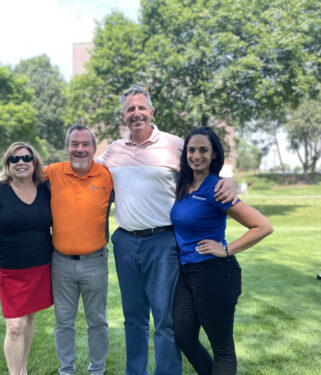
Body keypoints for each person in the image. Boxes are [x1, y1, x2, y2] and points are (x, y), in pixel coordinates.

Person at [96, 85, 236, 375]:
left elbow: (205, 162)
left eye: (141, 108)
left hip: (162, 241)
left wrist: (229, 179)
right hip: (125, 242)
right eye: (130, 109)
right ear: (123, 116)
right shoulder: (113, 150)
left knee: (164, 318)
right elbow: (88, 178)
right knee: (133, 317)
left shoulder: (174, 144)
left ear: (151, 111)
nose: (136, 114)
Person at [170, 127, 273, 374]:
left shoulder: (218, 190)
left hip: (214, 274)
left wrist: (227, 249)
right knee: (183, 336)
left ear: (214, 154)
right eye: (191, 150)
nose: (196, 155)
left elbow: (263, 226)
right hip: (185, 274)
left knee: (223, 349)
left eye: (203, 150)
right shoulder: (183, 185)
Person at [0, 142, 53, 375]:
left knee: (28, 320)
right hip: (9, 269)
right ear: (7, 164)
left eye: (27, 158)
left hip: (40, 266)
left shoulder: (45, 189)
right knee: (15, 324)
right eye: (14, 159)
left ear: (34, 162)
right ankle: (15, 372)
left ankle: (22, 369)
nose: (21, 162)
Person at [46, 124, 113, 375]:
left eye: (85, 144)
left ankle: (97, 370)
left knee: (97, 321)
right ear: (67, 148)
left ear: (95, 148)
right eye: (75, 144)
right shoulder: (53, 172)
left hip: (96, 262)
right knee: (64, 322)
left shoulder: (107, 175)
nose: (80, 149)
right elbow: (22, 172)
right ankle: (67, 370)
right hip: (61, 262)